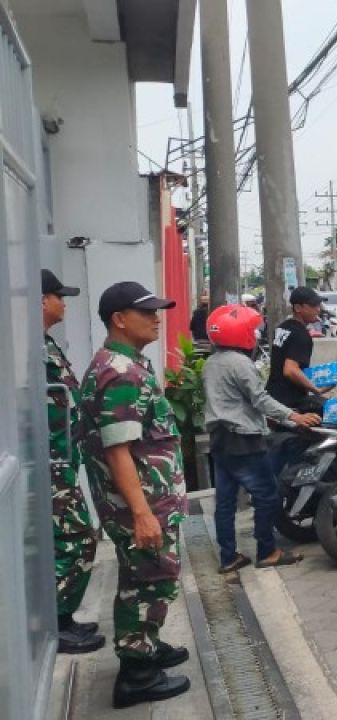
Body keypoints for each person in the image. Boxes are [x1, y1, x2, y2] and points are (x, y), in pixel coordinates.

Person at [79, 281, 191, 707]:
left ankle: (146, 644)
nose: (157, 317)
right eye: (147, 312)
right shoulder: (118, 372)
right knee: (151, 582)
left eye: (157, 310)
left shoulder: (127, 364)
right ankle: (137, 674)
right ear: (119, 320)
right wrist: (142, 513)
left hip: (146, 501)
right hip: (140, 504)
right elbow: (118, 449)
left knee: (141, 578)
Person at [203, 304, 319, 573]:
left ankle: (228, 556)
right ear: (241, 333)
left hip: (219, 437)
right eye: (252, 330)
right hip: (243, 438)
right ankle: (267, 551)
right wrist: (294, 417)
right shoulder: (241, 364)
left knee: (225, 501)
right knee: (267, 495)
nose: (255, 335)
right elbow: (261, 400)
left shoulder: (212, 362)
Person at [42, 270, 104, 654]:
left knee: (71, 539)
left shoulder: (43, 343)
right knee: (75, 539)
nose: (64, 303)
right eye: (58, 296)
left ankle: (61, 620)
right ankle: (54, 624)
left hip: (60, 461)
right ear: (41, 300)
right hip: (46, 465)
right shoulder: (27, 349)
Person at [265, 286, 330, 414]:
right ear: (298, 308)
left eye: (318, 305)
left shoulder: (283, 327)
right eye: (313, 306)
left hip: (272, 396)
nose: (318, 309)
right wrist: (316, 390)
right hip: (290, 402)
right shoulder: (301, 335)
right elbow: (290, 370)